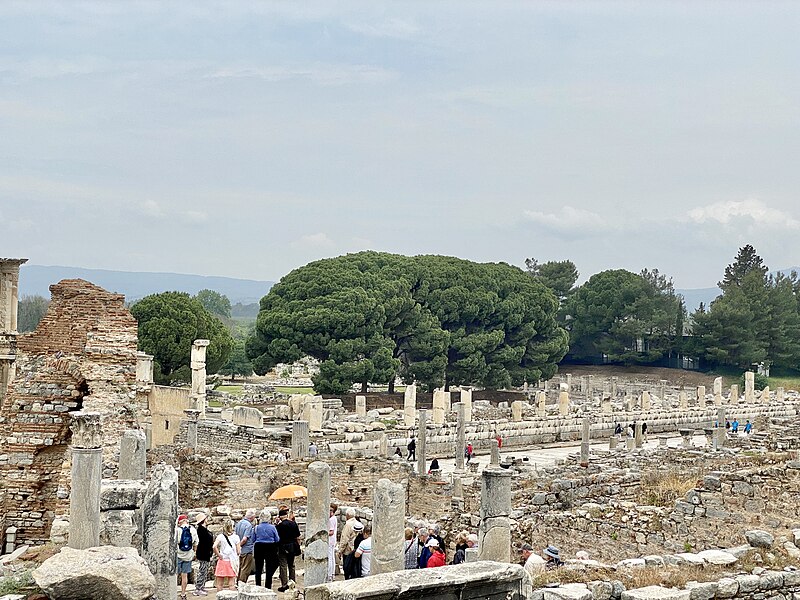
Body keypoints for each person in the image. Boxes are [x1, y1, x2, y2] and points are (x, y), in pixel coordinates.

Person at [253, 510, 280, 589]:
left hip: (259, 546)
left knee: (258, 568)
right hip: (270, 547)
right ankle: (268, 586)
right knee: (269, 567)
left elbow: (253, 539)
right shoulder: (272, 527)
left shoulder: (256, 527)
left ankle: (258, 585)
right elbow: (277, 539)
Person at [276, 507, 302, 592]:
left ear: (280, 517)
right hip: (292, 546)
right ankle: (292, 583)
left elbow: (277, 538)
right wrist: (298, 545)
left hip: (283, 547)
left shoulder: (279, 526)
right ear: (286, 515)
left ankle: (284, 584)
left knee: (283, 565)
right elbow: (298, 536)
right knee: (292, 565)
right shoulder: (293, 524)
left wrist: (276, 524)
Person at [175, 514, 198, 600]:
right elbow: (196, 543)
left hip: (178, 555)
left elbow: (174, 542)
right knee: (185, 576)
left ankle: (173, 592)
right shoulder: (193, 530)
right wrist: (193, 552)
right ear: (187, 521)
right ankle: (183, 593)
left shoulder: (177, 530)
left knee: (175, 575)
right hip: (188, 555)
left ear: (179, 522)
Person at [213, 519, 240, 592]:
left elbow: (214, 546)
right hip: (231, 562)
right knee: (231, 584)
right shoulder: (236, 537)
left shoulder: (220, 536)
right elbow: (238, 551)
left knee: (219, 584)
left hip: (222, 561)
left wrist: (218, 554)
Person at [193, 513, 213, 597]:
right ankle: (198, 588)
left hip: (205, 553)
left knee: (204, 571)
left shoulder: (203, 529)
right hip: (203, 553)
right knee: (202, 571)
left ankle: (201, 586)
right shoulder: (201, 530)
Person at [235, 509, 256, 583]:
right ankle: (242, 583)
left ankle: (238, 582)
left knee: (240, 567)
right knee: (245, 568)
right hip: (247, 549)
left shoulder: (239, 523)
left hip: (240, 550)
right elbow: (244, 539)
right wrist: (239, 545)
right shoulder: (248, 525)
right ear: (252, 517)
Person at [338, 508, 359, 579]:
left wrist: (340, 551)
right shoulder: (358, 523)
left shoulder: (348, 525)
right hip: (356, 549)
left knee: (347, 568)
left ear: (347, 515)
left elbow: (344, 539)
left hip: (348, 551)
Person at [328, 503, 338, 582]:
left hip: (330, 540)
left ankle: (330, 574)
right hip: (333, 540)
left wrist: (324, 533)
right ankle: (332, 574)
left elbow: (331, 532)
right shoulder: (334, 518)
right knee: (332, 557)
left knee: (330, 557)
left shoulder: (331, 519)